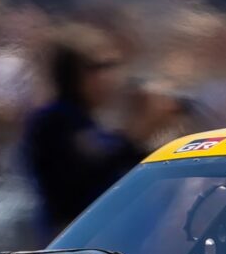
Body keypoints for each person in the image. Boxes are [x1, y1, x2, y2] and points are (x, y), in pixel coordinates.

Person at [22, 29, 143, 235]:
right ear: (70, 74)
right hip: (74, 236)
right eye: (97, 68)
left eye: (112, 67)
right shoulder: (56, 120)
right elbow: (88, 174)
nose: (108, 77)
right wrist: (140, 129)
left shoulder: (90, 119)